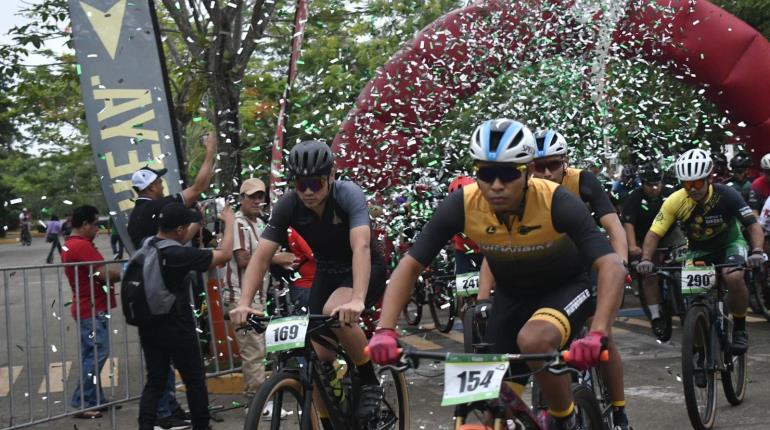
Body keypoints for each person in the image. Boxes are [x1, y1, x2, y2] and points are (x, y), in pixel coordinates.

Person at [368, 119, 625, 430]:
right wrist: (385, 329)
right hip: (511, 298)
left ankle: (565, 417)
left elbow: (610, 264)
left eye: (507, 174)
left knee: (533, 340)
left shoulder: (556, 200)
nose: (497, 185)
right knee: (486, 407)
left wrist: (597, 332)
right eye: (486, 174)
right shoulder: (463, 203)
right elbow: (410, 265)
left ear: (528, 171)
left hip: (565, 288)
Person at [229, 140, 388, 426]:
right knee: (316, 359)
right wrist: (243, 303)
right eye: (301, 184)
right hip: (328, 273)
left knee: (335, 312)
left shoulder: (348, 195)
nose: (308, 191)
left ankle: (369, 381)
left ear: (331, 177)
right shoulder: (289, 204)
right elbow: (261, 256)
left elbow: (361, 246)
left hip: (363, 267)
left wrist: (357, 298)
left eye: (315, 183)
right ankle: (330, 419)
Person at [526, 128, 631, 429]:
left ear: (565, 162)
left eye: (553, 165)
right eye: (539, 166)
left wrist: (620, 264)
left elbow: (613, 226)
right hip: (547, 269)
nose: (545, 172)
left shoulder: (583, 181)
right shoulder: (524, 189)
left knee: (603, 335)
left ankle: (619, 411)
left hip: (589, 266)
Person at [127, 133, 217, 429]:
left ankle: (161, 413)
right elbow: (200, 186)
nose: (163, 185)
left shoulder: (135, 216)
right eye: (159, 182)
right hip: (170, 300)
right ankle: (174, 414)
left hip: (149, 303)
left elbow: (179, 237)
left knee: (156, 373)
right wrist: (209, 151)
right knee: (193, 376)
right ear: (151, 187)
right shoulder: (158, 208)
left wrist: (192, 224)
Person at [636, 148, 766, 355]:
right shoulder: (675, 200)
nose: (693, 189)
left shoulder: (727, 195)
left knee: (732, 277)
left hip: (730, 243)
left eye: (697, 183)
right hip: (699, 250)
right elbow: (654, 234)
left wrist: (757, 250)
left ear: (709, 179)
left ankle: (740, 328)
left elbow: (752, 225)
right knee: (692, 305)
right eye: (687, 184)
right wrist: (645, 258)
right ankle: (697, 350)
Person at [137, 202, 235, 430]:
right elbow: (225, 254)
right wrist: (230, 223)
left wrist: (198, 222)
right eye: (187, 227)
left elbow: (178, 237)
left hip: (149, 325)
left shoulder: (148, 246)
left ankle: (145, 426)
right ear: (180, 230)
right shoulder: (177, 254)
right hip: (176, 327)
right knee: (195, 382)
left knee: (155, 381)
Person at [226, 178, 297, 400]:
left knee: (260, 349)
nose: (257, 201)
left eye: (260, 197)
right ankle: (256, 401)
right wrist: (277, 258)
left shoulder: (259, 224)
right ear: (241, 199)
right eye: (252, 197)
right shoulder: (238, 223)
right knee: (253, 351)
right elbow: (243, 259)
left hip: (257, 295)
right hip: (241, 297)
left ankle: (261, 399)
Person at [61, 205, 122, 418]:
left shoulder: (74, 244)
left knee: (93, 354)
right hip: (91, 308)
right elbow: (102, 275)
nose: (98, 228)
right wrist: (128, 271)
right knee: (96, 355)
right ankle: (82, 401)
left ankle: (95, 398)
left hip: (91, 306)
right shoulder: (80, 246)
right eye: (95, 224)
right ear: (85, 224)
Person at [621, 162, 684, 340]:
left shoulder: (670, 194)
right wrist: (633, 247)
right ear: (643, 184)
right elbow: (629, 225)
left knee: (686, 258)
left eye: (658, 183)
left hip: (670, 234)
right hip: (645, 238)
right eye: (650, 185)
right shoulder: (634, 198)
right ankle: (656, 316)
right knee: (650, 275)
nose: (655, 188)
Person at [748, 153, 770, 217]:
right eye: (768, 172)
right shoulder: (757, 184)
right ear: (763, 171)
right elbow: (754, 210)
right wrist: (758, 226)